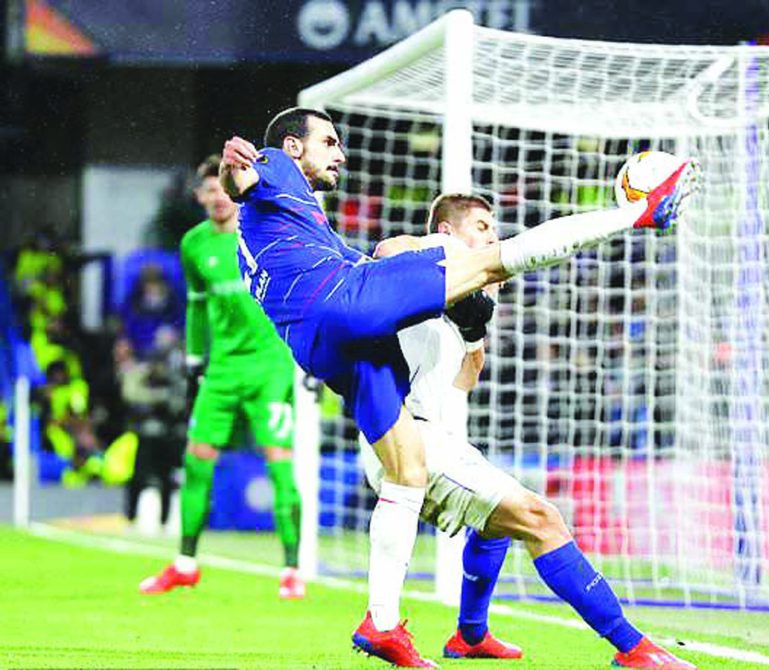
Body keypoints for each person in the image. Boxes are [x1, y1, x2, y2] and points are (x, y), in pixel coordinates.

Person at [220, 107, 696, 667]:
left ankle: (393, 625)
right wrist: (235, 170)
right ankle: (634, 214)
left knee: (411, 478)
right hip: (342, 304)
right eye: (329, 141)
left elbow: (464, 376)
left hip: (328, 344)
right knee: (499, 266)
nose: (341, 153)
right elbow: (246, 180)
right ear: (295, 149)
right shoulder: (280, 168)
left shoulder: (301, 227)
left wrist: (471, 329)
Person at [359, 193, 696, 669]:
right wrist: (445, 267)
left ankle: (471, 637)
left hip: (428, 436)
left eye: (493, 226)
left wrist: (471, 332)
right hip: (403, 438)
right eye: (480, 225)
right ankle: (633, 647)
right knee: (541, 517)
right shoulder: (416, 261)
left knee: (497, 524)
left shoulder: (464, 305)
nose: (491, 235)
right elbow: (388, 250)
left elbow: (467, 373)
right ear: (446, 231)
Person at [140, 155, 304, 600]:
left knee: (280, 464)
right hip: (222, 369)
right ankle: (186, 563)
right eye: (208, 190)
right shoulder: (194, 245)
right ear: (199, 196)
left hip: (270, 365)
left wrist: (305, 354)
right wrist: (194, 363)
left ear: (233, 191)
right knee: (196, 459)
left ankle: (291, 570)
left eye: (222, 189)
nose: (216, 197)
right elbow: (196, 306)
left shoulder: (262, 230)